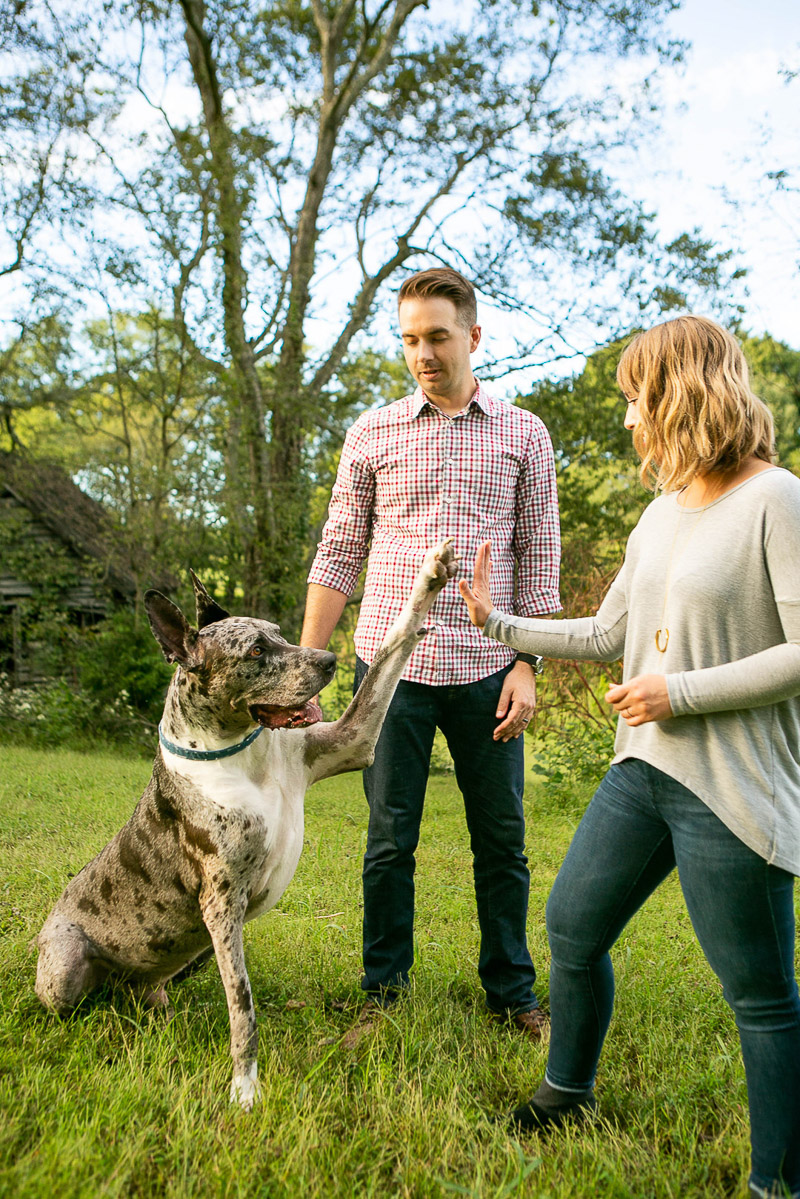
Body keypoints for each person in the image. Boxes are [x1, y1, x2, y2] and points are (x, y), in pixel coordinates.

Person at [459, 314, 800, 1198]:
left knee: (760, 994)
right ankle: (567, 1090)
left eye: (633, 400)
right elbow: (611, 630)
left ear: (681, 391)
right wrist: (497, 623)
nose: (627, 420)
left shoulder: (776, 498)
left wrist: (676, 691)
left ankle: (777, 1181)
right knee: (572, 928)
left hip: (731, 785)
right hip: (641, 770)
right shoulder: (658, 512)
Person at [301, 267, 561, 1034]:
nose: (422, 353)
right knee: (389, 839)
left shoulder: (524, 434)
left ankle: (512, 991)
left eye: (437, 337)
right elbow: (339, 551)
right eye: (410, 339)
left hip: (488, 667)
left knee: (503, 840)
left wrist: (526, 664)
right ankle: (382, 991)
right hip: (390, 669)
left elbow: (538, 556)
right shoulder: (372, 432)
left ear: (474, 337)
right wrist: (307, 673)